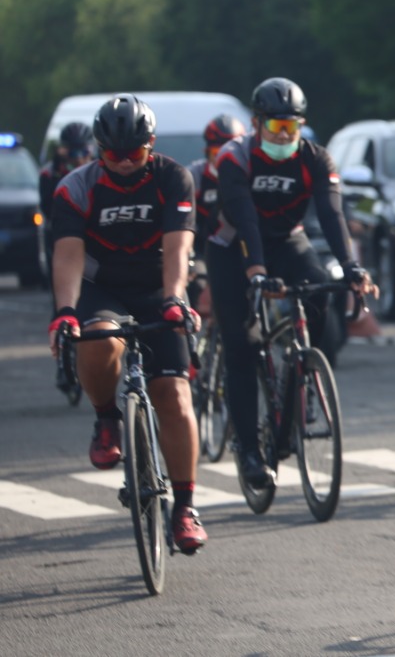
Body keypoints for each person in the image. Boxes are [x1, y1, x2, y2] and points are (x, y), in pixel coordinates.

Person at [46, 95, 207, 554]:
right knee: (95, 338)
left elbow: (178, 248)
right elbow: (68, 254)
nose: (122, 163)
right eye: (112, 154)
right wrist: (65, 311)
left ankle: (184, 507)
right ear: (99, 149)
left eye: (133, 154)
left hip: (157, 286)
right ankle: (105, 419)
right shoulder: (75, 188)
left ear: (150, 146)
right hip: (104, 287)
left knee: (174, 396)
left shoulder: (173, 177)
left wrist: (176, 298)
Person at [205, 78, 375, 490]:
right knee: (242, 347)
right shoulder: (235, 158)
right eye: (276, 127)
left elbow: (332, 215)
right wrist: (256, 272)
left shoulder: (316, 158)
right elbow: (243, 218)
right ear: (256, 122)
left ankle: (303, 374)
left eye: (292, 128)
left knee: (320, 290)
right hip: (235, 248)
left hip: (288, 240)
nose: (284, 136)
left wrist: (351, 267)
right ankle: (248, 451)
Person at [186, 115, 247, 315]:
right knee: (197, 283)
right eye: (217, 152)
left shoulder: (249, 174)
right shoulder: (194, 177)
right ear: (207, 152)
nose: (223, 159)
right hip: (201, 248)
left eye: (231, 152)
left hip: (241, 246)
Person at [39, 123, 97, 298]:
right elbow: (47, 208)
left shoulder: (100, 170)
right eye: (73, 153)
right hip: (62, 232)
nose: (79, 159)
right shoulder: (50, 173)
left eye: (84, 153)